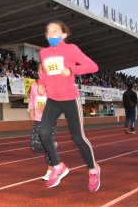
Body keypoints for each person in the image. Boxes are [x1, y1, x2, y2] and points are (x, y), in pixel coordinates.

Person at [38, 20, 101, 192]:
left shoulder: (71, 49)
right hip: (52, 99)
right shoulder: (43, 53)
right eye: (48, 31)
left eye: (55, 31)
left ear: (63, 35)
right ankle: (58, 167)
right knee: (43, 133)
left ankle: (93, 170)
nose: (50, 34)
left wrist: (72, 70)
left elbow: (92, 66)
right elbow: (45, 72)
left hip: (70, 98)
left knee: (78, 137)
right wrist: (41, 84)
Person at [28, 65, 56, 181]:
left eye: (44, 70)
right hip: (38, 119)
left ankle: (49, 171)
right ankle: (52, 146)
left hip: (49, 119)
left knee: (46, 144)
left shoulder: (52, 85)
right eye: (40, 70)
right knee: (35, 145)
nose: (42, 72)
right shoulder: (34, 86)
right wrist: (30, 111)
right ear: (38, 71)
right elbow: (32, 100)